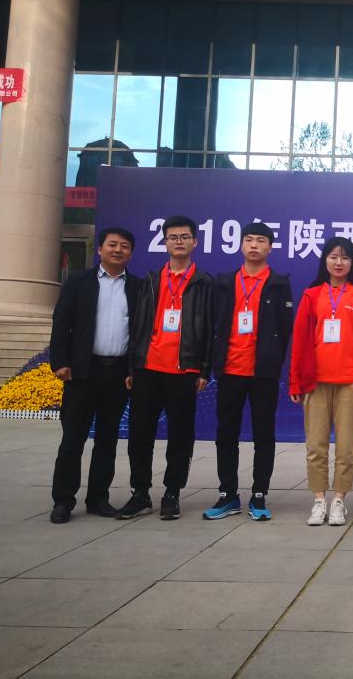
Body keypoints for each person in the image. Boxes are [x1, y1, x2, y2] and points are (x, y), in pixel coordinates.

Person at [118, 215, 213, 521]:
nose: (178, 242)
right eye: (173, 237)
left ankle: (172, 492)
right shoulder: (150, 280)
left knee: (180, 436)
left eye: (184, 237)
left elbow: (211, 329)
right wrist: (132, 366)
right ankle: (140, 493)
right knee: (140, 435)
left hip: (183, 371)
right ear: (165, 242)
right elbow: (137, 326)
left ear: (194, 242)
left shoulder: (204, 283)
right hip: (148, 368)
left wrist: (204, 370)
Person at [48, 228, 140, 523]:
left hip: (118, 374)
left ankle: (98, 498)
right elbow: (61, 322)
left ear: (131, 253)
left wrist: (133, 370)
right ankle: (63, 500)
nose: (118, 250)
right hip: (82, 372)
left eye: (124, 246)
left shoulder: (137, 287)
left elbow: (139, 333)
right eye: (112, 244)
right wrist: (60, 361)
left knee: (107, 439)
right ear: (100, 249)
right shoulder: (79, 282)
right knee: (73, 439)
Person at [204, 222, 294, 522]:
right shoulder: (225, 282)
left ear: (270, 247)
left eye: (261, 241)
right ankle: (228, 493)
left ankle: (259, 493)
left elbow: (285, 327)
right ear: (241, 245)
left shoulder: (278, 283)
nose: (254, 245)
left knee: (264, 434)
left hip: (263, 373)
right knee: (226, 433)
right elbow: (214, 322)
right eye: (249, 240)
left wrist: (272, 358)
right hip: (230, 369)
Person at [290, 237, 353, 527]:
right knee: (316, 446)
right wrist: (295, 382)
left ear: (352, 263)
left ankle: (339, 499)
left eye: (345, 257)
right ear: (325, 261)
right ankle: (319, 500)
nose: (339, 262)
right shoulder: (311, 295)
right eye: (333, 256)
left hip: (350, 382)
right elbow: (299, 340)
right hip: (316, 382)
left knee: (345, 447)